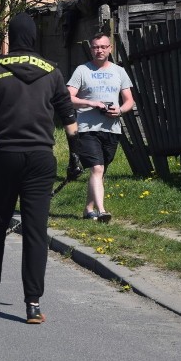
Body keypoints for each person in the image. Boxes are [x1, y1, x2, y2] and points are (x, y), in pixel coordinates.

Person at [0, 12, 83, 324]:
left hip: (6, 156)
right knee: (36, 231)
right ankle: (33, 304)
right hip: (40, 160)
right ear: (33, 37)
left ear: (11, 36)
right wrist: (75, 157)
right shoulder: (53, 72)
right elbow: (69, 116)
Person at [67, 33, 135, 223]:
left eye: (103, 47)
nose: (100, 50)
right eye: (96, 47)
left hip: (111, 129)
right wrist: (92, 103)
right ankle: (102, 211)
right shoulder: (82, 70)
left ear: (110, 49)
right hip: (87, 128)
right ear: (91, 49)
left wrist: (119, 110)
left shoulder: (119, 71)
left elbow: (129, 100)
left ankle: (88, 209)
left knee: (100, 171)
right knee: (97, 167)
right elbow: (68, 98)